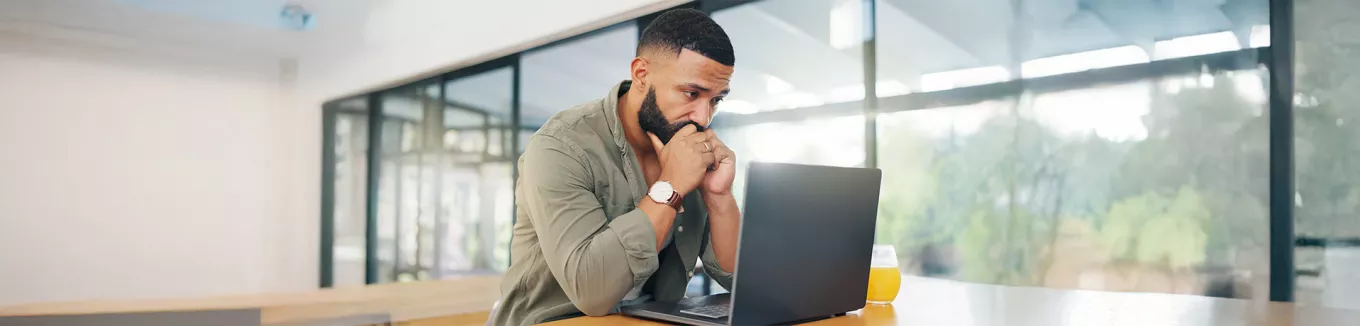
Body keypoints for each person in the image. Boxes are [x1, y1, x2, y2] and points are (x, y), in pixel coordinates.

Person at [488, 9, 741, 326]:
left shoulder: (691, 150)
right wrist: (671, 185)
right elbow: (593, 293)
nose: (703, 117)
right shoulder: (562, 146)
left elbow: (739, 280)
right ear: (641, 74)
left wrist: (719, 197)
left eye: (716, 100)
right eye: (691, 93)